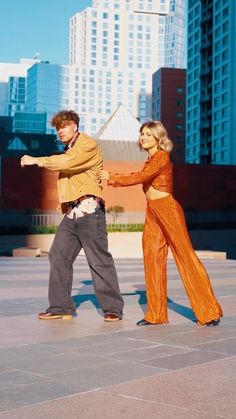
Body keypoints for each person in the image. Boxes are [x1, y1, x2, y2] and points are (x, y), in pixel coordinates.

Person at [99, 120, 223, 327]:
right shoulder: (149, 160)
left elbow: (141, 177)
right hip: (153, 211)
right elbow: (141, 174)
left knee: (186, 257)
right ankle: (156, 314)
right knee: (152, 258)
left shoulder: (162, 157)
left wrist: (112, 177)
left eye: (148, 134)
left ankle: (209, 311)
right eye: (142, 134)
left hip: (168, 209)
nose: (144, 137)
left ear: (158, 137)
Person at [20, 110, 124, 322]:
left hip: (90, 211)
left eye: (64, 126)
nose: (60, 131)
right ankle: (61, 307)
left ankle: (113, 308)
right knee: (58, 255)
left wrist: (36, 160)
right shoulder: (69, 149)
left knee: (99, 260)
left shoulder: (87, 144)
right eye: (57, 128)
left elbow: (67, 163)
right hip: (71, 213)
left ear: (75, 126)